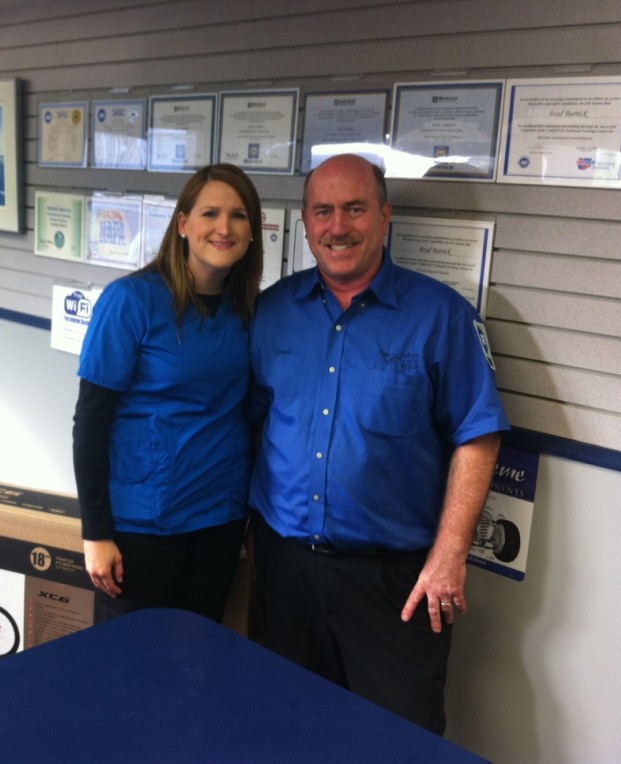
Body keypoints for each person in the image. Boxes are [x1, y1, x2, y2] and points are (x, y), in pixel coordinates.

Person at [248, 153, 508, 734]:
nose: (337, 227)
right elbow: (252, 423)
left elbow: (479, 435)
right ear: (307, 223)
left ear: (385, 216)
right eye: (323, 211)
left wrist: (449, 557)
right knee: (281, 731)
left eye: (355, 209)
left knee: (397, 742)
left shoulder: (441, 316)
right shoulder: (271, 312)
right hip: (286, 571)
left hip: (397, 584)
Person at [73, 164, 264, 624]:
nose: (224, 228)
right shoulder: (130, 301)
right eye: (210, 214)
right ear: (182, 224)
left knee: (196, 664)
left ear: (253, 232)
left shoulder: (251, 310)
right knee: (129, 671)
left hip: (218, 519)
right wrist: (95, 532)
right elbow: (91, 422)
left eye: (238, 216)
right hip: (143, 526)